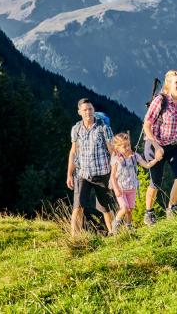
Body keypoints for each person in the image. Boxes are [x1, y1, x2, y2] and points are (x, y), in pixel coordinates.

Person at [142, 70, 177, 225]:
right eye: (176, 82)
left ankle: (172, 208)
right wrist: (157, 146)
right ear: (168, 84)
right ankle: (149, 213)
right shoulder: (160, 101)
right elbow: (147, 125)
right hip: (155, 145)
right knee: (156, 181)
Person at [66, 98, 116, 235]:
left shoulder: (104, 127)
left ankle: (114, 234)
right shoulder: (76, 129)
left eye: (90, 109)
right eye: (85, 110)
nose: (88, 112)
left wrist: (114, 174)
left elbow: (112, 151)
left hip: (102, 174)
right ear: (79, 112)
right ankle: (74, 238)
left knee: (105, 207)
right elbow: (73, 151)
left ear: (94, 110)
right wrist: (69, 174)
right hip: (83, 175)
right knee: (78, 207)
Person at [110, 132, 161, 233]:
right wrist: (116, 189)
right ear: (117, 148)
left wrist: (156, 159)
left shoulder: (135, 156)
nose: (128, 148)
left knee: (130, 210)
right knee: (124, 208)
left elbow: (147, 165)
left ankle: (129, 227)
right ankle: (115, 226)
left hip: (132, 188)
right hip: (120, 188)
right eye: (124, 146)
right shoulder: (116, 160)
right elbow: (112, 176)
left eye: (128, 145)